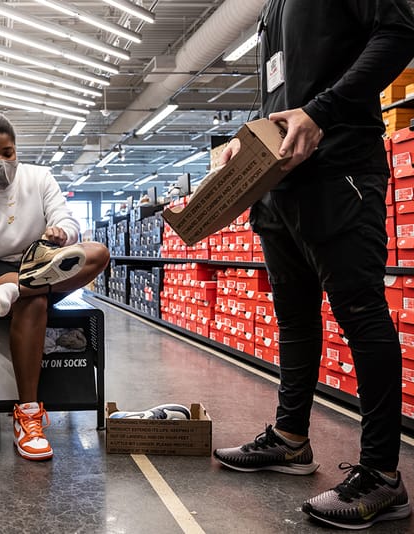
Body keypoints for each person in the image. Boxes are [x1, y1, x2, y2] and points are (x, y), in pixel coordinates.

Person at [213, 1, 414, 529]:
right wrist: (249, 141)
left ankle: (383, 475)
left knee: (362, 314)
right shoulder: (272, 9)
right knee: (294, 318)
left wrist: (321, 112)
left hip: (341, 171)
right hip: (280, 186)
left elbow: (401, 31)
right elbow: (286, 92)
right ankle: (290, 439)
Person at [0, 110, 109, 461]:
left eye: (8, 152)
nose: (1, 162)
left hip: (41, 262)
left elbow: (65, 217)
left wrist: (62, 232)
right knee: (33, 304)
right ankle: (28, 413)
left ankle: (21, 290)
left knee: (97, 253)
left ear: (16, 149)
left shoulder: (39, 178)